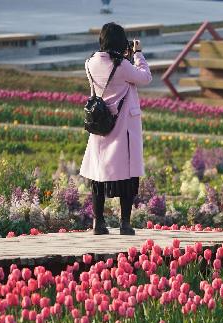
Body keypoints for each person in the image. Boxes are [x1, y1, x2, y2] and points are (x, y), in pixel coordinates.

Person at [79, 22, 152, 235]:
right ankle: (125, 224)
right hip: (123, 127)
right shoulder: (121, 66)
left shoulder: (90, 63)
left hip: (101, 124)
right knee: (127, 174)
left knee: (98, 173)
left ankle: (98, 222)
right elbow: (145, 77)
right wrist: (137, 54)